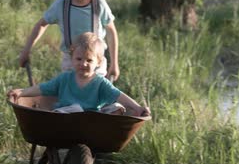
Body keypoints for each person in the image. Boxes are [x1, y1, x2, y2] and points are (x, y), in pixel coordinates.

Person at [19, 0, 120, 80]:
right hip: (71, 59)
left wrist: (114, 63)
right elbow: (42, 24)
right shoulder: (61, 5)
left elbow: (111, 31)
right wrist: (26, 50)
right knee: (71, 93)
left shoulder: (99, 5)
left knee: (95, 93)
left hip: (95, 59)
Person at [8, 33, 150, 116]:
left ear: (98, 62)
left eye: (89, 60)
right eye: (79, 59)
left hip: (91, 122)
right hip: (66, 119)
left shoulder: (100, 83)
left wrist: (137, 108)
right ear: (72, 58)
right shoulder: (65, 79)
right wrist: (21, 92)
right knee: (74, 109)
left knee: (117, 106)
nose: (83, 64)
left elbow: (119, 95)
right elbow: (42, 89)